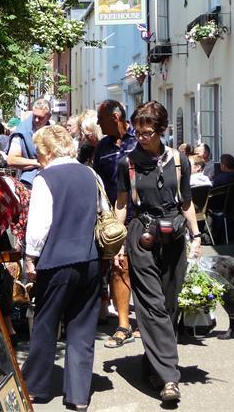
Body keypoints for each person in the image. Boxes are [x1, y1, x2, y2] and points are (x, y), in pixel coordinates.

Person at [114, 101, 201, 403]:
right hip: (142, 236)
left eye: (147, 132)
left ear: (161, 130)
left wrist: (197, 235)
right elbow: (123, 204)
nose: (141, 137)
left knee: (168, 304)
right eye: (137, 132)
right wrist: (116, 244)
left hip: (175, 234)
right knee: (151, 306)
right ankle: (169, 379)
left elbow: (187, 201)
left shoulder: (179, 161)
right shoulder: (127, 163)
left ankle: (152, 363)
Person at [21, 125, 101, 410]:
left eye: (40, 152)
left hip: (57, 262)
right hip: (89, 259)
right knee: (82, 327)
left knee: (45, 323)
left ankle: (35, 387)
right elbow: (101, 211)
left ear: (48, 150)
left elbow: (39, 227)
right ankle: (79, 396)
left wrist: (30, 258)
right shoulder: (90, 174)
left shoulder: (46, 178)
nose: (39, 158)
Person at [93, 99, 138, 349]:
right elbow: (98, 180)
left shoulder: (138, 141)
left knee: (140, 269)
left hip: (139, 216)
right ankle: (123, 323)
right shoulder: (103, 146)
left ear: (116, 117)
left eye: (101, 120)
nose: (99, 124)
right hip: (112, 218)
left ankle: (142, 319)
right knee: (118, 267)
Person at [7, 98, 52, 188]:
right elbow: (11, 159)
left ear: (48, 117)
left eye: (40, 117)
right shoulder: (22, 132)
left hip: (51, 179)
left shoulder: (51, 130)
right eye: (34, 116)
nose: (36, 120)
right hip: (30, 183)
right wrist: (38, 162)